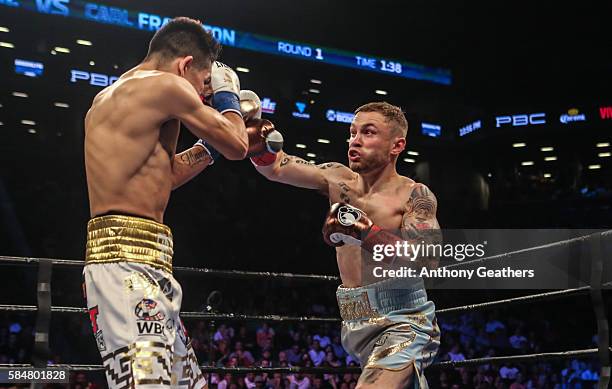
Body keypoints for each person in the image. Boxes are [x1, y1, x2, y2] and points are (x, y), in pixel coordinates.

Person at [82, 17, 255, 388]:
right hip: (126, 268)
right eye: (203, 83)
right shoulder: (167, 86)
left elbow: (165, 176)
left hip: (141, 262)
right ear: (185, 65)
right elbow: (239, 146)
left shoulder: (111, 98)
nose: (202, 95)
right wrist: (228, 96)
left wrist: (211, 146)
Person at [253, 101, 441, 388]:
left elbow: (427, 259)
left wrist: (366, 233)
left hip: (403, 319)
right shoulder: (337, 178)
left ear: (396, 145)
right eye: (352, 132)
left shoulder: (414, 194)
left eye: (368, 132)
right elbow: (277, 168)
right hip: (354, 318)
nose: (355, 140)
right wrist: (257, 145)